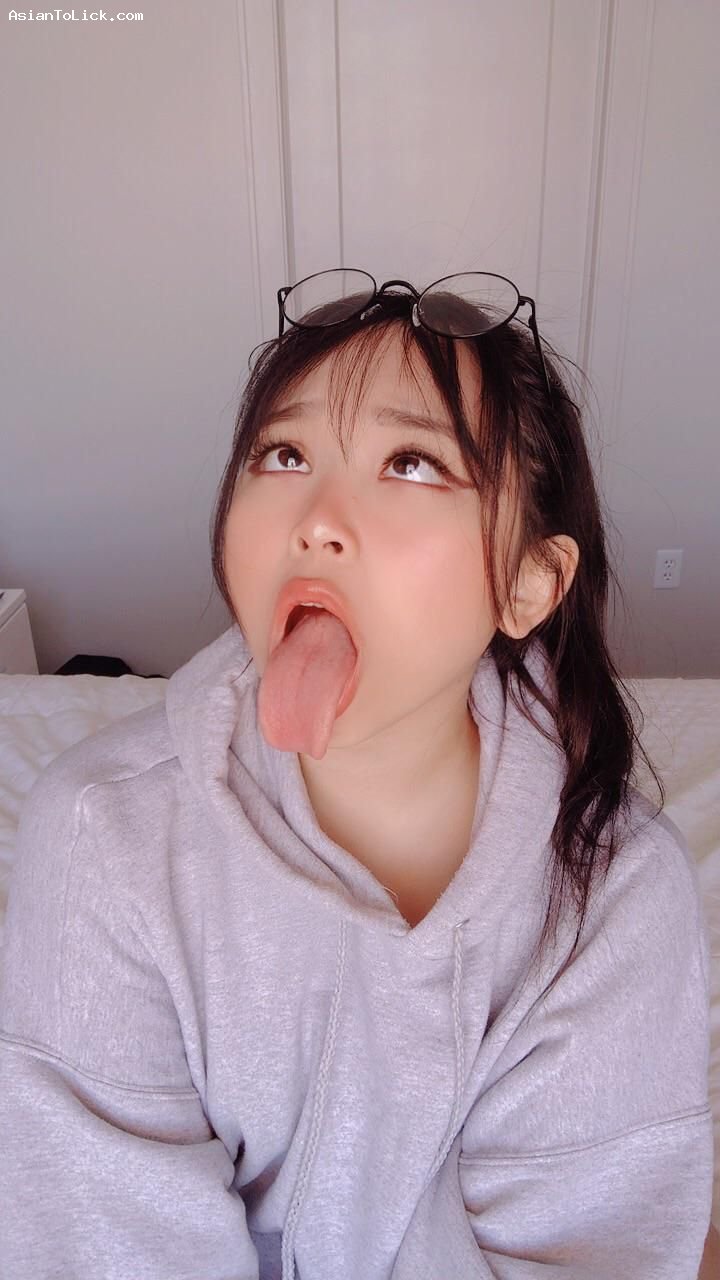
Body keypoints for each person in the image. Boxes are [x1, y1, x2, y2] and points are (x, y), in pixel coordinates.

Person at [0, 270, 713, 1278]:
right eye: (284, 454)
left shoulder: (617, 889)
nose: (318, 518)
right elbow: (100, 1240)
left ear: (529, 582)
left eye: (412, 463)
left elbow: (591, 1245)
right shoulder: (101, 837)